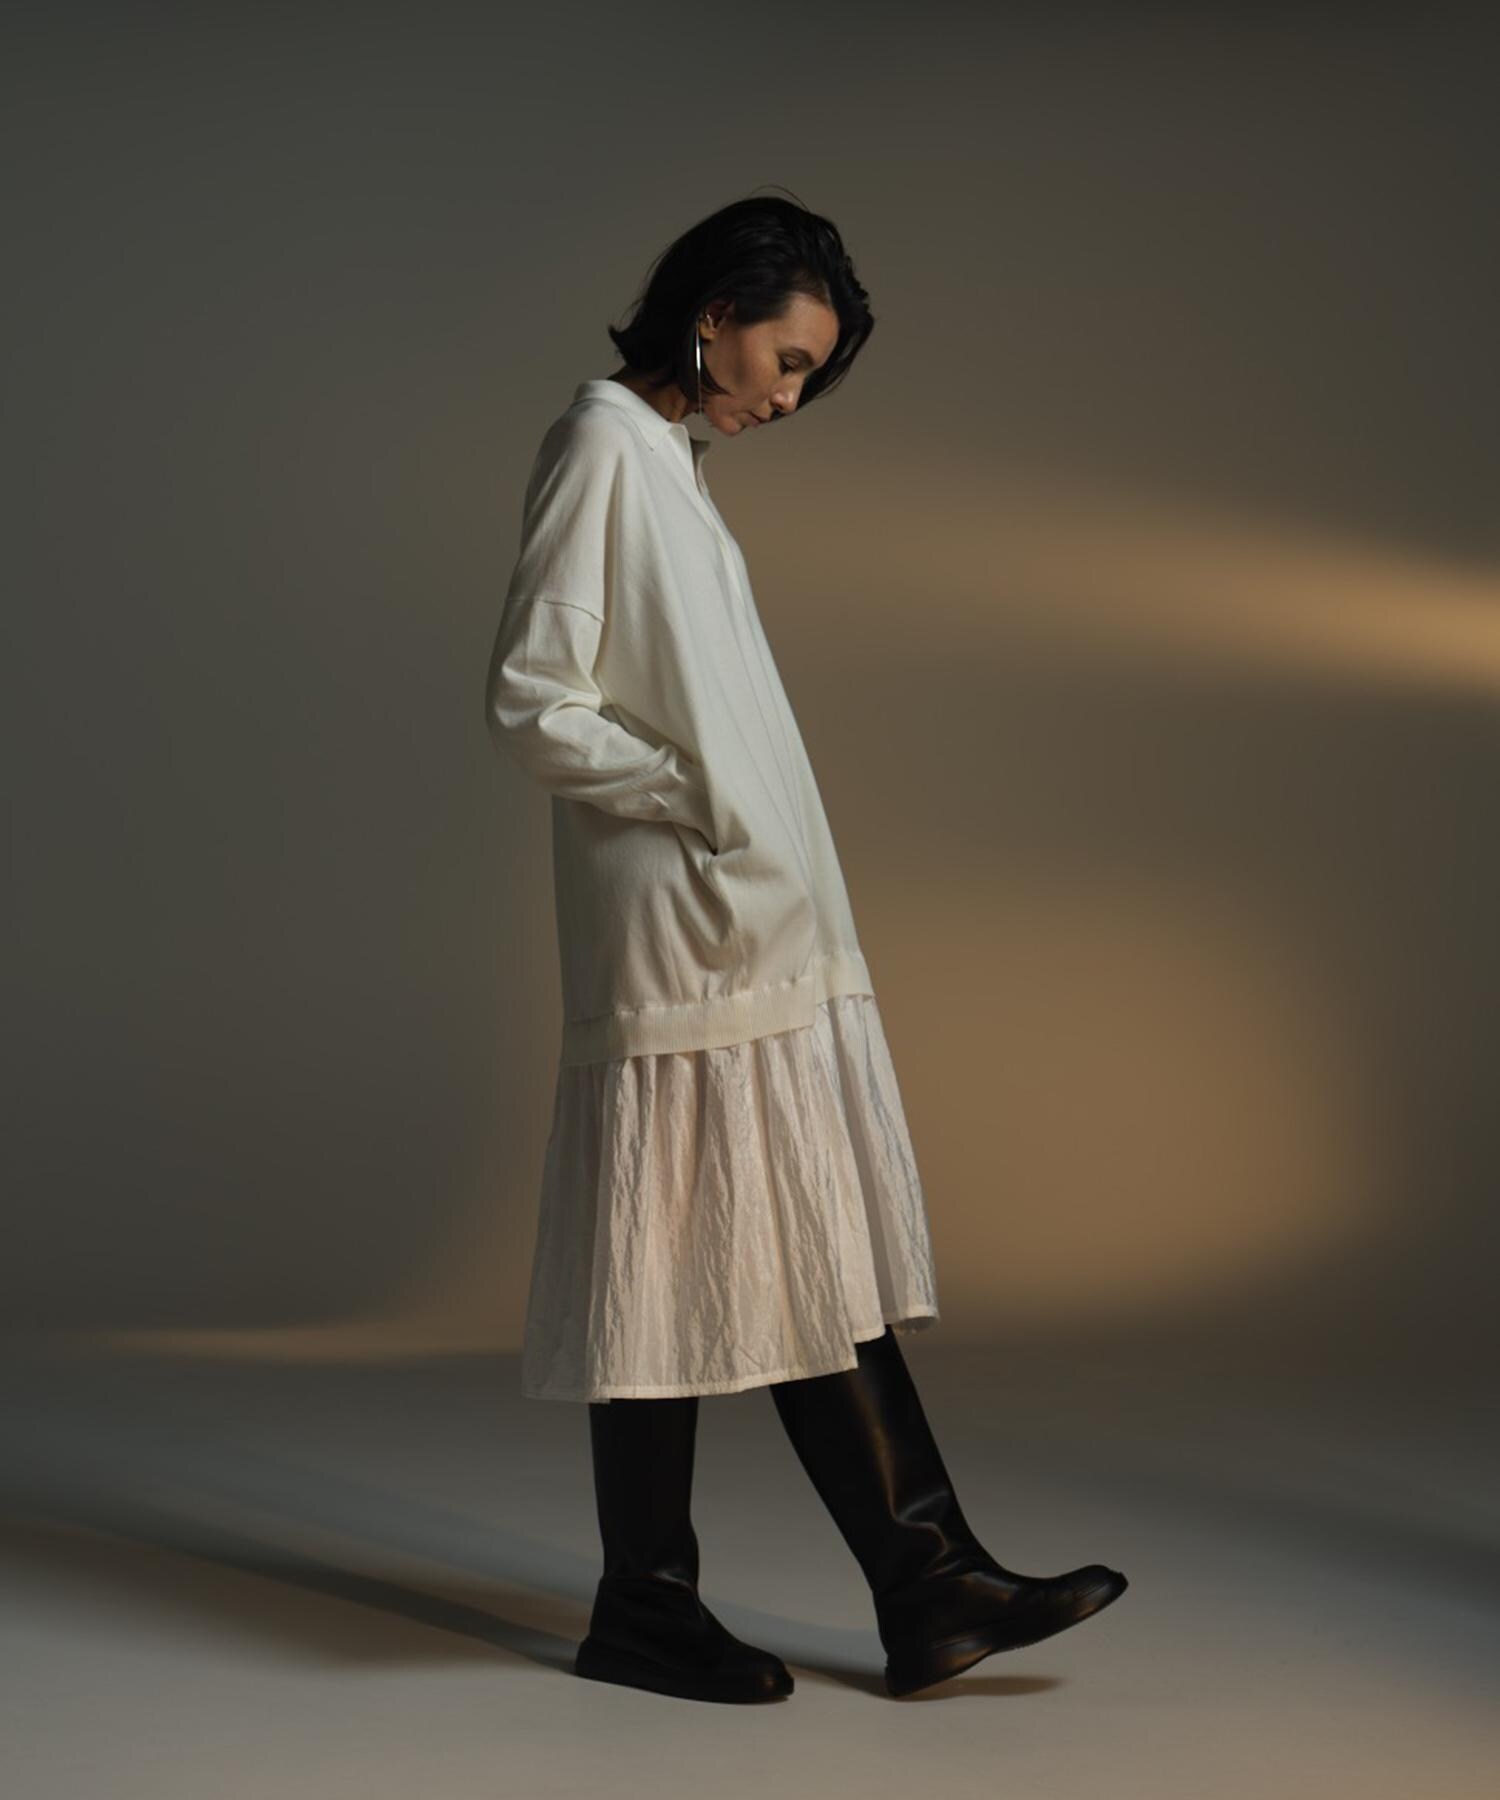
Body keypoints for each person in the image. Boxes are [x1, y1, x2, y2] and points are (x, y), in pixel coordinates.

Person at [485, 194, 1127, 1703]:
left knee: (738, 1246)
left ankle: (847, 1589)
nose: (789, 398)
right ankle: (878, 1582)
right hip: (689, 930)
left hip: (749, 923)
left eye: (810, 379)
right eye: (786, 360)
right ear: (713, 311)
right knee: (717, 1247)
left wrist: (737, 819)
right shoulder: (603, 446)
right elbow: (532, 697)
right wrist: (696, 799)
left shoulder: (671, 462)